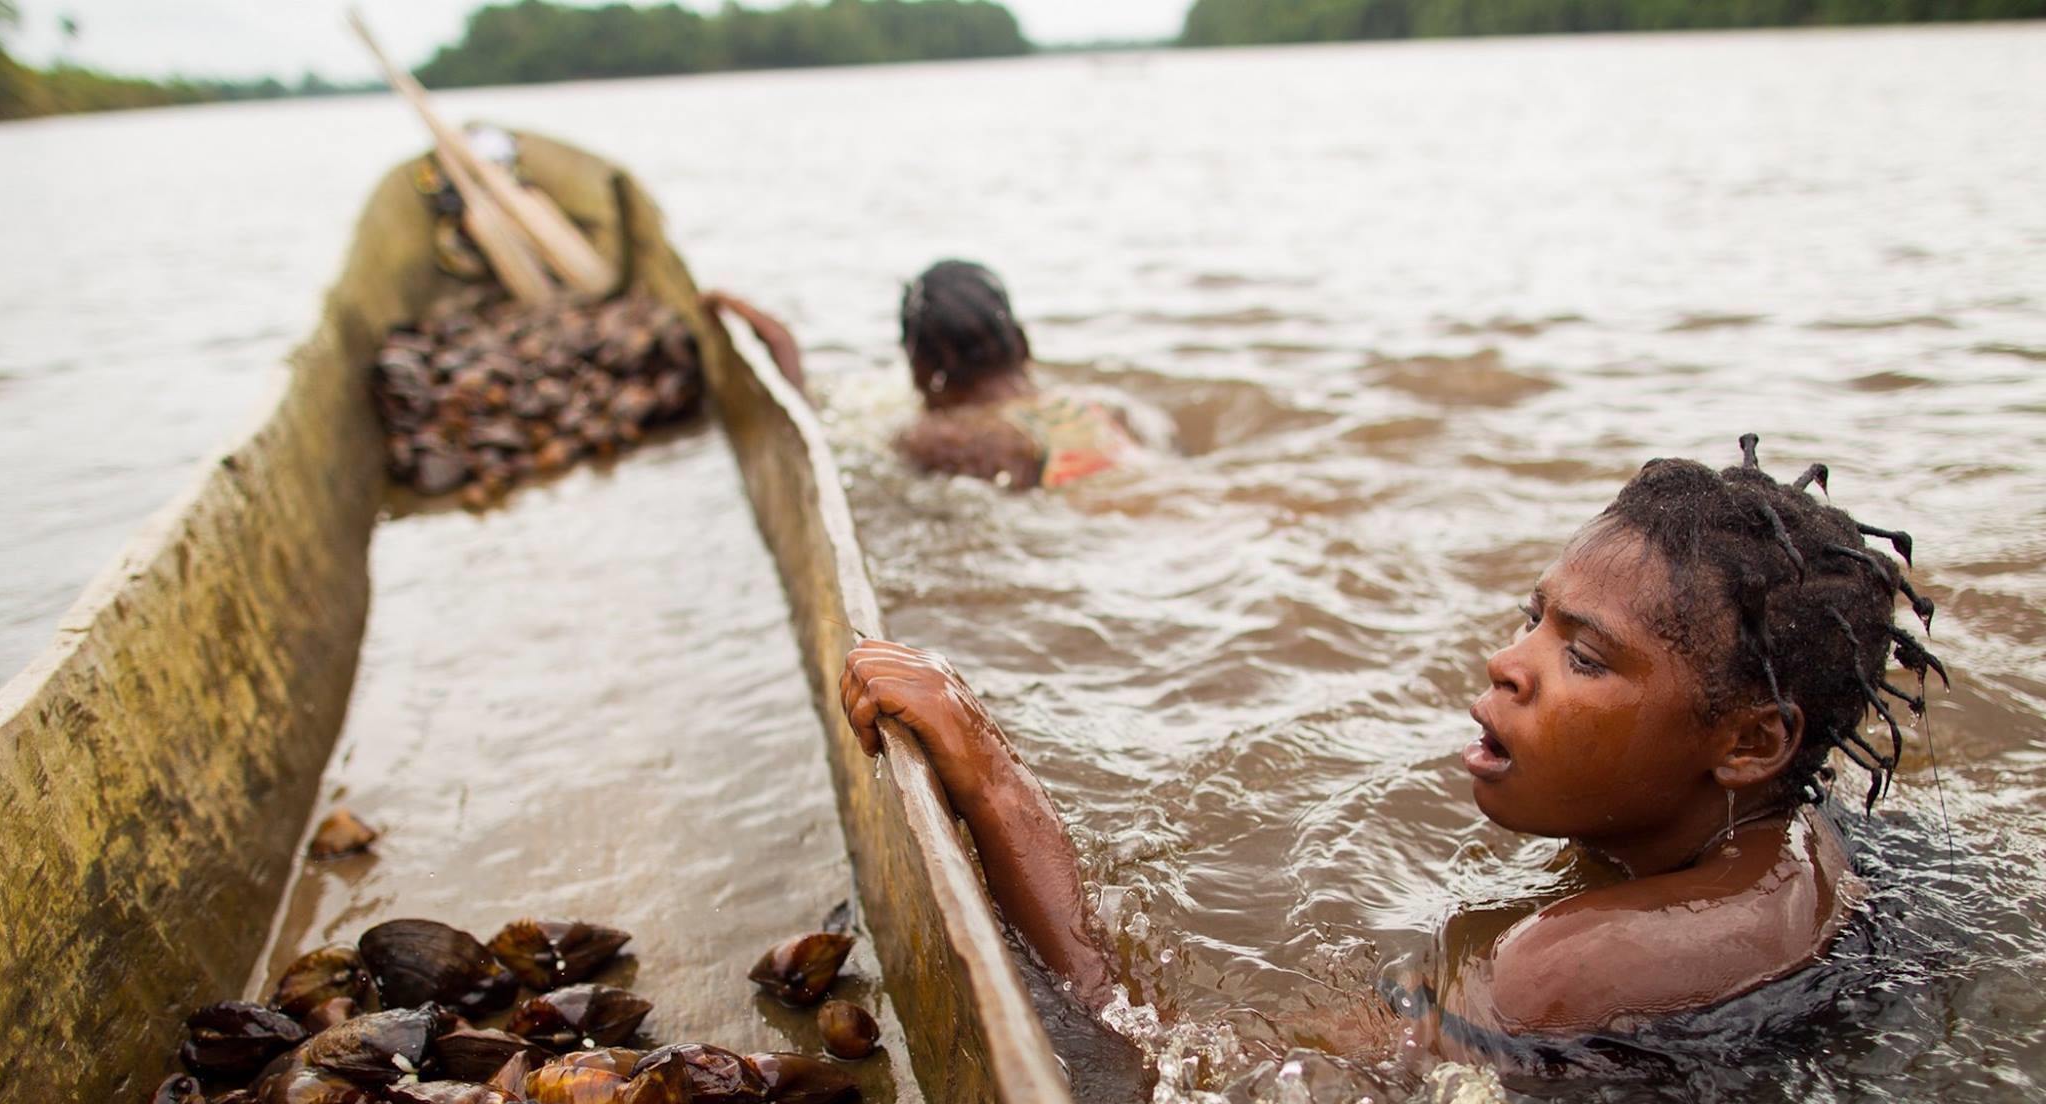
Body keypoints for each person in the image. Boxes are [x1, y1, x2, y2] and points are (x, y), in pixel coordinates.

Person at [836, 437, 1945, 1062]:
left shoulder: (1551, 969)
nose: (1509, 665)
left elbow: (1177, 1062)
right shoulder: (1787, 847)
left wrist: (994, 777)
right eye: (1532, 620)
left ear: (1750, 743)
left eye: (1585, 658)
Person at [706, 260, 1137, 490]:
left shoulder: (940, 437)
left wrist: (784, 347)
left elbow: (811, 446)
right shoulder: (1082, 407)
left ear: (923, 370)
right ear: (1022, 343)